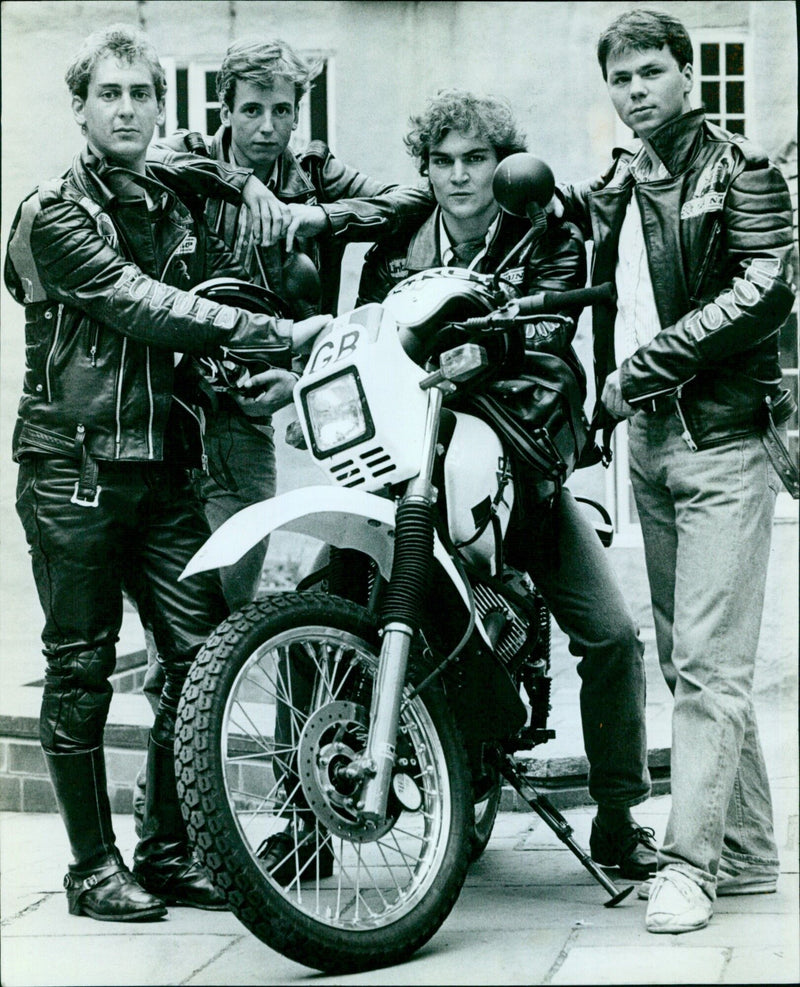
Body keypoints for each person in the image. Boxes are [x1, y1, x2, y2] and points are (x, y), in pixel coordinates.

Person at [4, 24, 329, 923]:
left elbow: (213, 283)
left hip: (166, 470)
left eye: (142, 94)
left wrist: (248, 186)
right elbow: (142, 306)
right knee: (80, 668)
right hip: (73, 471)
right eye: (110, 94)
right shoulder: (54, 211)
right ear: (80, 108)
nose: (128, 109)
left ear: (160, 107)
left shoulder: (169, 198)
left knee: (199, 657)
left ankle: (170, 847)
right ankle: (89, 868)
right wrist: (267, 333)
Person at [358, 89, 657, 880]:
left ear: (503, 163)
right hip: (411, 459)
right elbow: (365, 331)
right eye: (444, 162)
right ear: (423, 167)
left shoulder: (544, 229)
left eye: (477, 159)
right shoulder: (392, 241)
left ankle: (621, 818)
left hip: (517, 458)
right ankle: (302, 803)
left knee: (613, 634)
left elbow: (552, 337)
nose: (461, 177)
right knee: (326, 588)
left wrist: (479, 355)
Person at [556, 8, 796, 934]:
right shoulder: (622, 180)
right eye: (621, 78)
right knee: (699, 660)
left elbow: (766, 287)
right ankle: (744, 853)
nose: (637, 90)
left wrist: (636, 375)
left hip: (728, 442)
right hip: (649, 445)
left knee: (706, 661)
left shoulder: (742, 171)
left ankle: (689, 865)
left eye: (652, 71)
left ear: (688, 75)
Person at [150, 37, 433, 609]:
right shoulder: (187, 152)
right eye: (251, 109)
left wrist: (319, 217)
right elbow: (151, 159)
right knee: (173, 622)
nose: (266, 128)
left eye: (282, 111)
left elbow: (414, 197)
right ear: (224, 108)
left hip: (248, 421)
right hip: (166, 413)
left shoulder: (314, 172)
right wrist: (239, 184)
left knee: (229, 606)